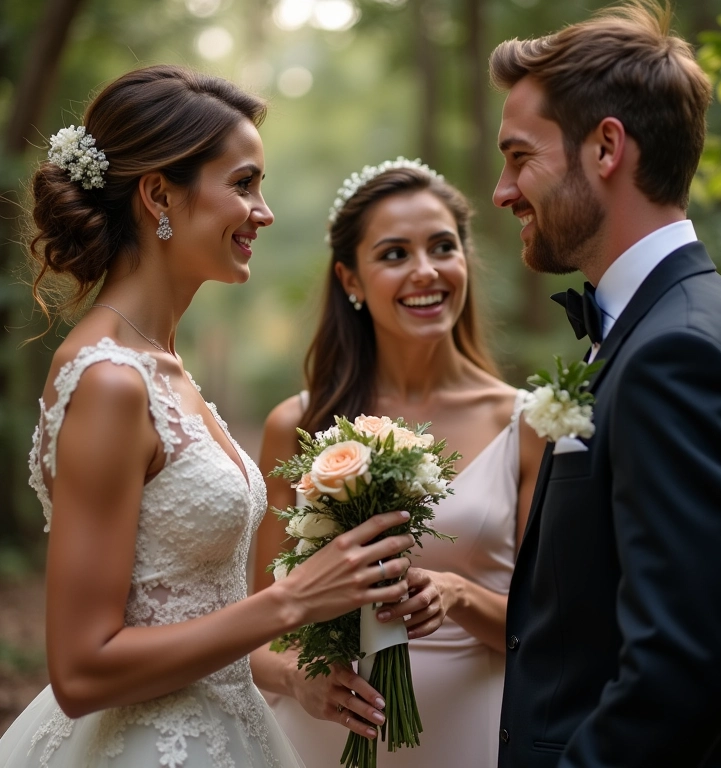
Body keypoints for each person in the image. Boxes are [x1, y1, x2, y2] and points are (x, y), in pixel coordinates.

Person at [0, 65, 418, 768]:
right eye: (244, 184)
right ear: (159, 194)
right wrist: (291, 602)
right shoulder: (110, 380)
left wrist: (291, 672)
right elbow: (80, 671)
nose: (265, 211)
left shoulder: (164, 365)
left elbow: (185, 616)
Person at [490, 2, 721, 766]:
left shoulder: (678, 353)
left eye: (520, 157)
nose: (503, 190)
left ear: (606, 146)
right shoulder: (697, 321)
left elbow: (679, 676)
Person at [249, 158, 546, 768]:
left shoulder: (527, 425)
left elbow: (553, 633)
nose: (425, 271)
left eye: (443, 247)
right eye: (393, 254)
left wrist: (458, 594)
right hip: (319, 744)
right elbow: (256, 633)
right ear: (350, 279)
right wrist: (295, 679)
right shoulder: (296, 425)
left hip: (473, 738)